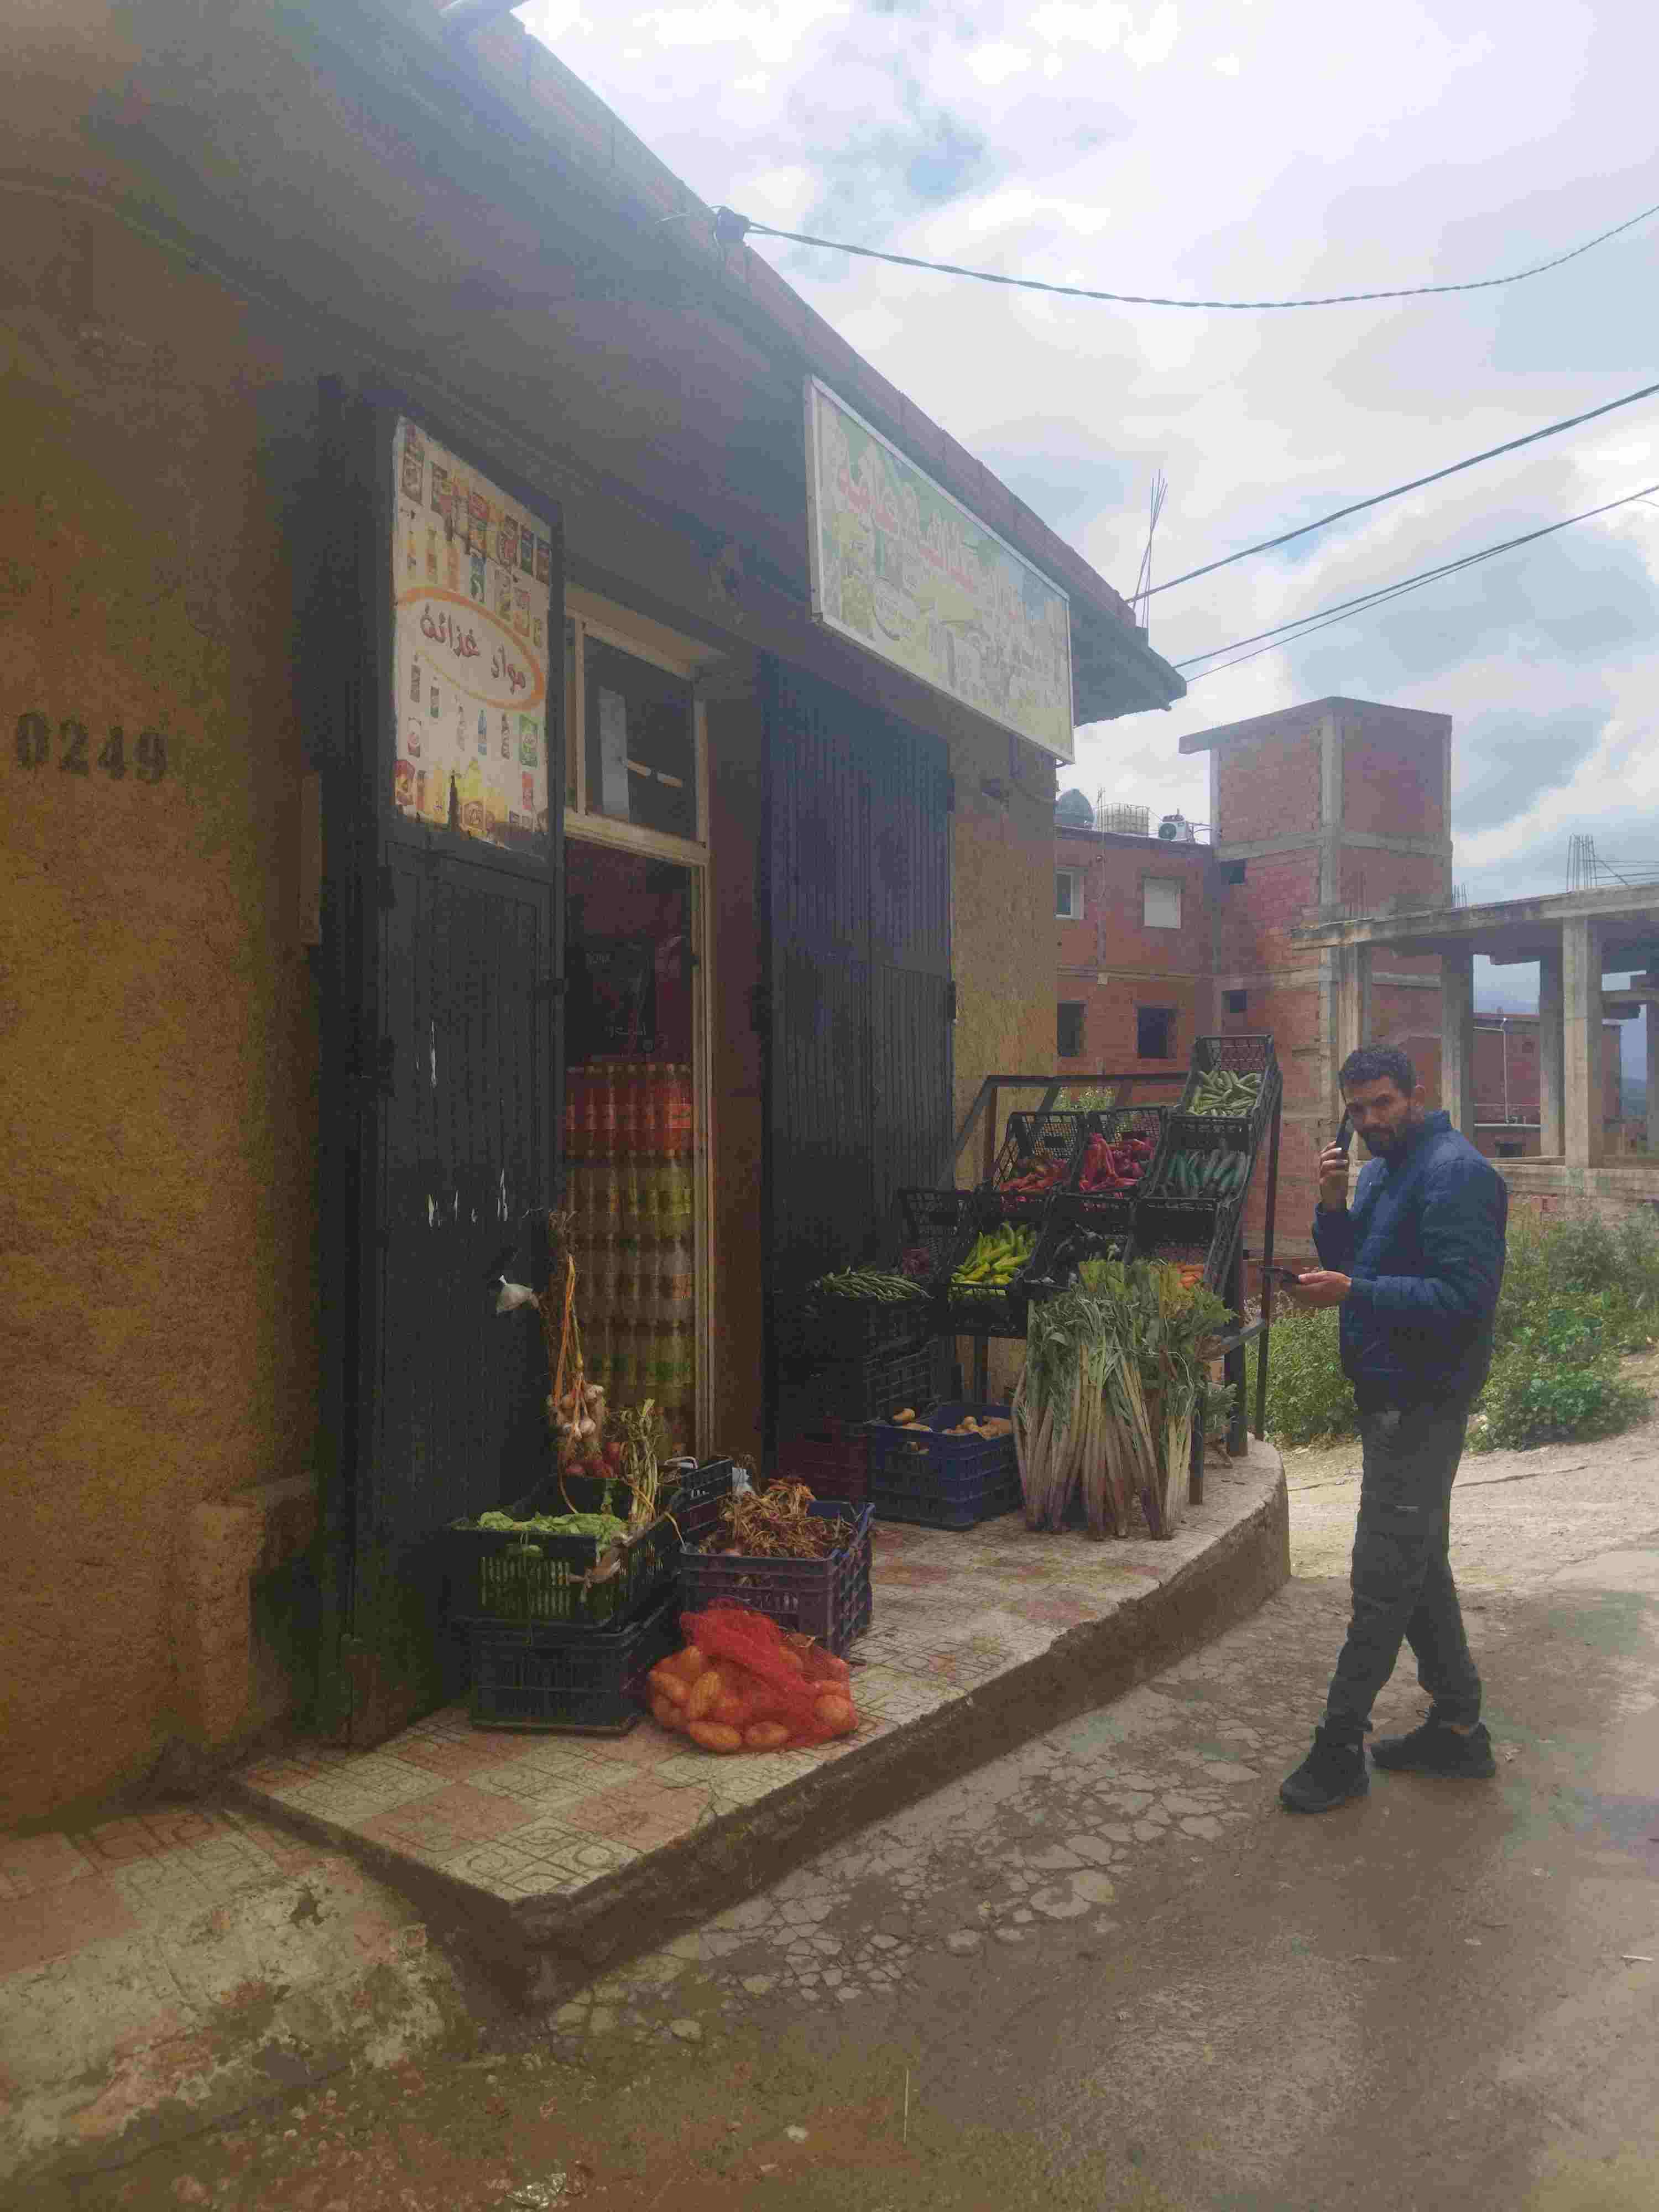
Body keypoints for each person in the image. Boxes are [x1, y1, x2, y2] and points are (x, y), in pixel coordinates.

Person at [1276, 1045, 1509, 1814]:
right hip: (1384, 1394)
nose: (1371, 1120)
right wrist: (1332, 1202)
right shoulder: (1378, 1172)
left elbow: (1465, 1299)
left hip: (1423, 1402)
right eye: (1358, 1108)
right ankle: (1459, 1730)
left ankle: (1338, 1745)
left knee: (1380, 1578)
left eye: (1383, 1103)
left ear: (1416, 1094)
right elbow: (1355, 1264)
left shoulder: (1456, 1173)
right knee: (1418, 1566)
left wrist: (1355, 1290)